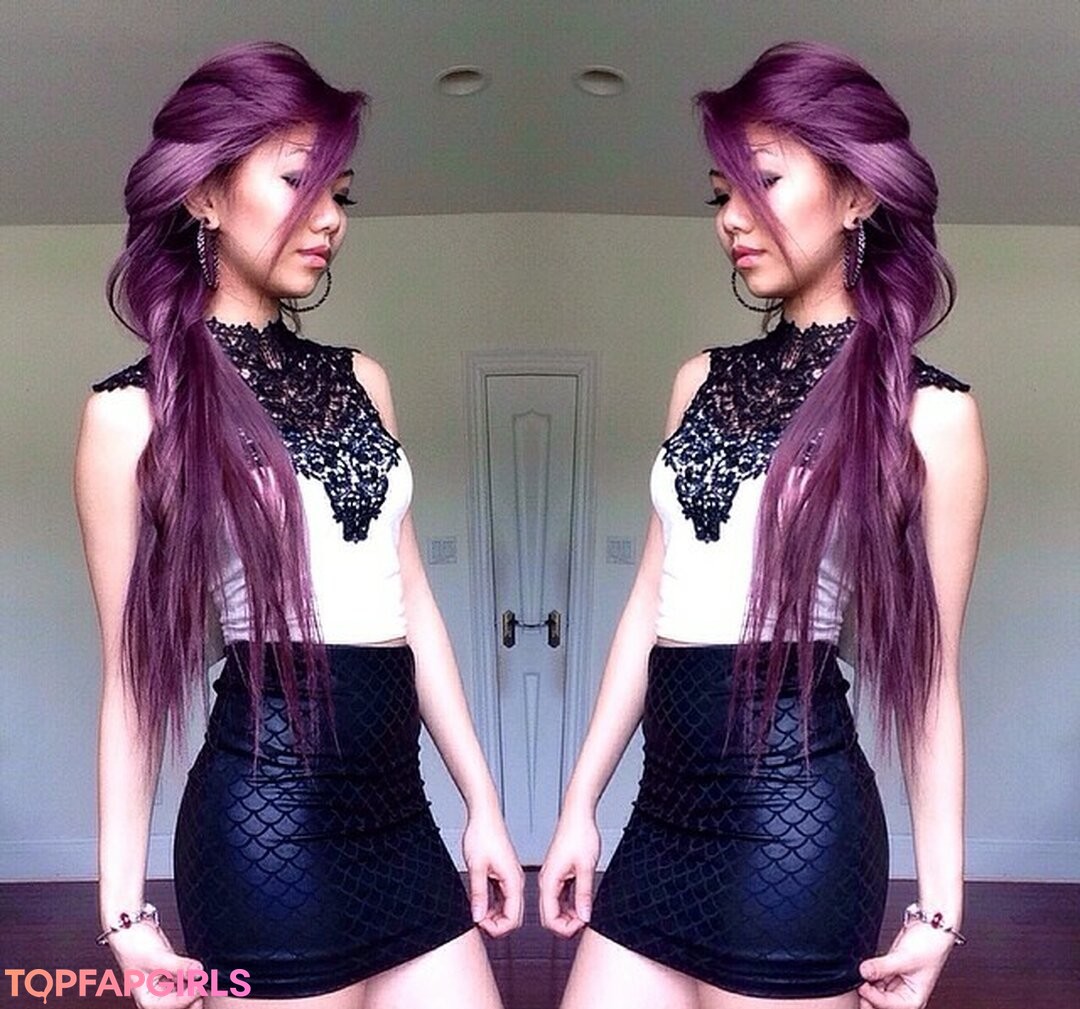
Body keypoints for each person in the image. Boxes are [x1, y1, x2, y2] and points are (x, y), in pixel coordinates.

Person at [539, 41, 987, 1009]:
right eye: (720, 194)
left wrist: (940, 909)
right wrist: (579, 804)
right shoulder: (700, 380)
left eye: (764, 183)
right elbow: (652, 603)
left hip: (798, 827)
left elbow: (930, 679)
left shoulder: (932, 414)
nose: (732, 219)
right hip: (661, 818)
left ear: (856, 195)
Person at [75, 42, 521, 1008]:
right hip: (263, 829)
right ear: (205, 195)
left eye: (341, 194)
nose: (330, 219)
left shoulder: (364, 380)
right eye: (298, 183)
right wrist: (124, 914)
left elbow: (410, 603)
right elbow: (132, 680)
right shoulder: (130, 415)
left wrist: (482, 803)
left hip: (401, 819)